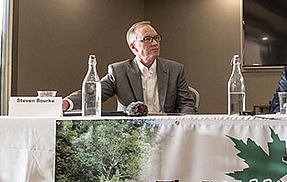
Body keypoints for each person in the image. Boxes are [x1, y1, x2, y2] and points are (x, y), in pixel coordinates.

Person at [63, 21, 197, 114]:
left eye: (156, 38)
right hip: (132, 132)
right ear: (133, 47)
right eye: (148, 39)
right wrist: (67, 103)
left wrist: (182, 124)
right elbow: (94, 93)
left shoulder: (175, 70)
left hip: (169, 131)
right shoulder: (119, 71)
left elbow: (187, 104)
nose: (155, 43)